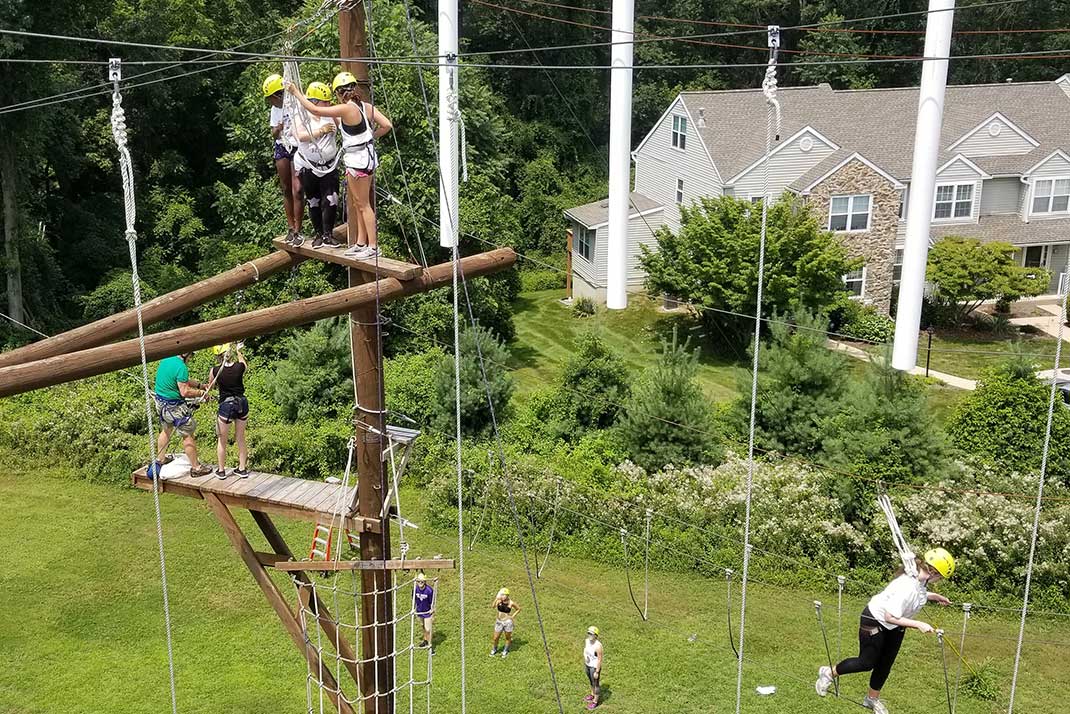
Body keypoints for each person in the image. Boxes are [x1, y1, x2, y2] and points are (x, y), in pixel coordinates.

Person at [815, 549, 955, 714]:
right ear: (933, 572)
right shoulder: (907, 586)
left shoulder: (919, 578)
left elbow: (919, 592)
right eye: (940, 577)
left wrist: (934, 596)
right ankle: (828, 673)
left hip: (896, 625)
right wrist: (918, 624)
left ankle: (871, 699)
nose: (939, 580)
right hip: (876, 620)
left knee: (885, 665)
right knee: (866, 663)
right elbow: (890, 616)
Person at [290, 70, 393, 260]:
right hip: (365, 157)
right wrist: (370, 138)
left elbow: (316, 110)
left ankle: (373, 246)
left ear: (339, 93)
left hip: (358, 161)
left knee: (363, 205)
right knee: (357, 203)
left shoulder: (347, 109)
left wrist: (297, 93)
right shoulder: (364, 106)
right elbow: (386, 125)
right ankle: (361, 242)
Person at [285, 80, 344, 250]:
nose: (328, 104)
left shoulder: (331, 114)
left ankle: (328, 234)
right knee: (314, 200)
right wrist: (320, 131)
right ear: (315, 102)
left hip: (329, 165)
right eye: (325, 101)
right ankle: (318, 233)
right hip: (309, 166)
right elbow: (299, 135)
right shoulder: (301, 115)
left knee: (331, 199)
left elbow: (344, 124)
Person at [153, 352, 212, 477]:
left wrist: (199, 385)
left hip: (161, 404)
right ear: (186, 355)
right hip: (174, 407)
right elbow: (184, 391)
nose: (190, 359)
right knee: (187, 435)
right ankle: (196, 468)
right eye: (190, 356)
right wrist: (201, 393)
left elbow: (182, 380)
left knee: (166, 430)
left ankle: (160, 459)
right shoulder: (181, 366)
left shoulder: (167, 359)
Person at [263, 74, 304, 245]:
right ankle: (290, 226)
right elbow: (273, 135)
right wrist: (277, 129)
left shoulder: (294, 104)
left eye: (271, 98)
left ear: (277, 95)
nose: (270, 102)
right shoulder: (275, 110)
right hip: (282, 146)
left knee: (298, 189)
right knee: (286, 187)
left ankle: (298, 229)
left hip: (296, 146)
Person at [209, 342, 250, 480]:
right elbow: (245, 365)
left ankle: (221, 471)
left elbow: (211, 386)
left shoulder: (215, 371)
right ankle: (242, 468)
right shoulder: (239, 367)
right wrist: (239, 352)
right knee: (240, 437)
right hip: (242, 403)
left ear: (217, 356)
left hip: (226, 405)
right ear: (229, 353)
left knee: (222, 440)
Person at [490, 587, 520, 658]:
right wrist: (496, 599)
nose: (502, 596)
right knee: (495, 637)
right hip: (499, 622)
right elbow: (493, 606)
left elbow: (518, 609)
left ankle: (505, 650)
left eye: (504, 595)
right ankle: (494, 649)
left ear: (507, 595)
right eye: (501, 595)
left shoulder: (511, 602)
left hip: (507, 623)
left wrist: (512, 616)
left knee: (507, 637)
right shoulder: (499, 601)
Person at [583, 626, 603, 710]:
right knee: (591, 682)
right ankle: (592, 694)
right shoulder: (587, 641)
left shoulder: (598, 646)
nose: (589, 635)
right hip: (588, 665)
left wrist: (597, 672)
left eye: (591, 634)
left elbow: (600, 659)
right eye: (588, 633)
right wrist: (585, 657)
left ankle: (595, 701)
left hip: (594, 667)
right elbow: (585, 650)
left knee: (596, 684)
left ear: (596, 635)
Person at [413, 572, 435, 650]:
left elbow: (432, 602)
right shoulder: (415, 590)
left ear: (425, 581)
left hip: (427, 612)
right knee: (423, 626)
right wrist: (414, 608)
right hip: (419, 611)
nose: (420, 583)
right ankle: (425, 640)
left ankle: (430, 646)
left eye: (422, 581)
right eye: (419, 581)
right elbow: (414, 600)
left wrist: (432, 611)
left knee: (428, 629)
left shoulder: (429, 591)